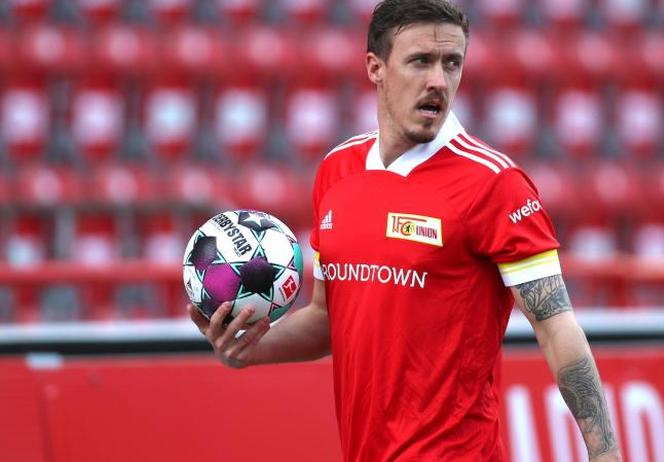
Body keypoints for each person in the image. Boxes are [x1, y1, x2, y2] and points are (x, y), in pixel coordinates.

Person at [188, 0, 622, 460]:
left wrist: (605, 453)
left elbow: (556, 327)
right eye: (421, 61)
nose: (439, 80)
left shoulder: (495, 184)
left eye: (452, 63)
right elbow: (329, 319)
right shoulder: (338, 171)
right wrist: (251, 350)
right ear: (375, 67)